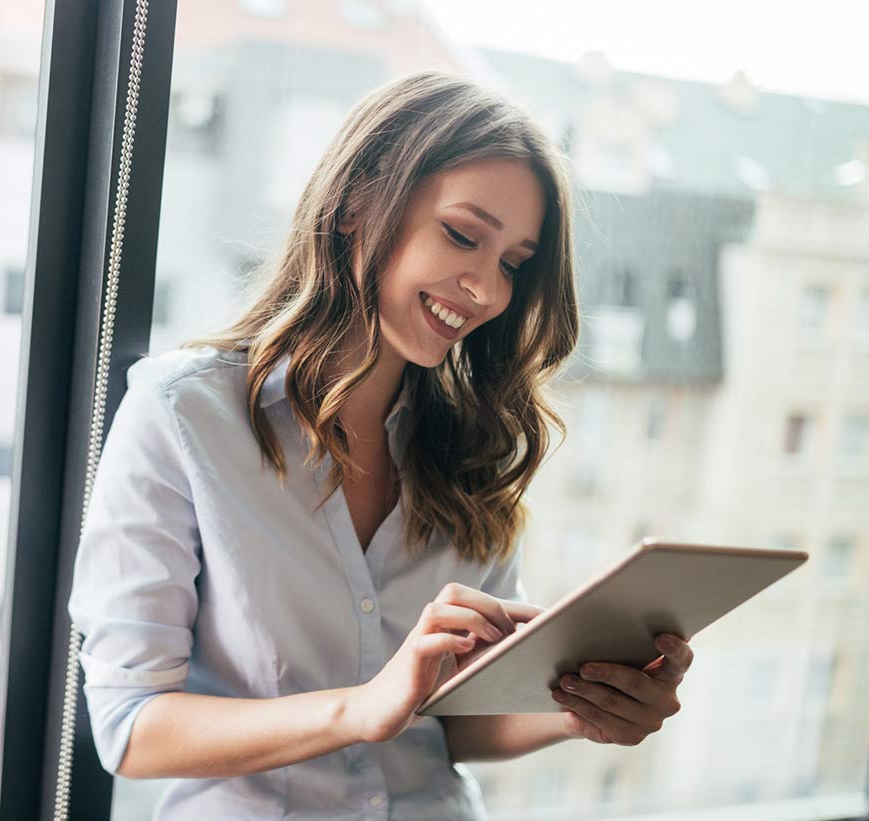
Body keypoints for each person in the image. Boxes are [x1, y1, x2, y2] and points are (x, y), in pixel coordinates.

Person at [67, 70, 693, 819]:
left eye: (513, 265)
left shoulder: (474, 448)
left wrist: (581, 709)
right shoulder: (182, 415)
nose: (488, 291)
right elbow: (133, 726)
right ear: (358, 204)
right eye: (464, 235)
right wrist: (362, 706)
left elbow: (455, 719)